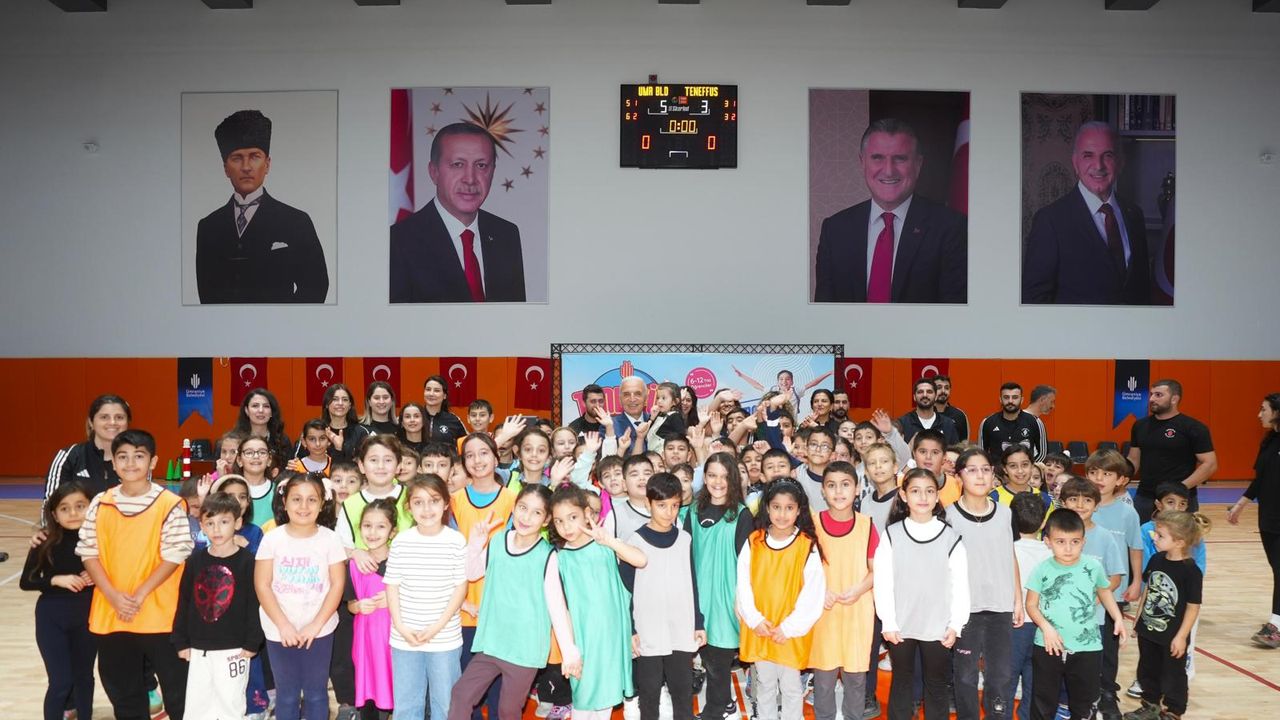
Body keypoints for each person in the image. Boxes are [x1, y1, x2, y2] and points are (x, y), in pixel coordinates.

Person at [77, 429, 193, 720]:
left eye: (139, 456)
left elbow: (175, 554)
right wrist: (113, 596)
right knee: (125, 696)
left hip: (161, 616)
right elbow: (88, 551)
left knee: (179, 696)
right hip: (113, 615)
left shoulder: (170, 503)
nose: (130, 463)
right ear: (113, 463)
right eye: (123, 457)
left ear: (153, 462)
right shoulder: (100, 502)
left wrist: (139, 595)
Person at [451, 484, 580, 720]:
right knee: (461, 694)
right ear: (514, 507)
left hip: (524, 650)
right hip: (492, 643)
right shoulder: (498, 540)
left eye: (536, 512)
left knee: (508, 710)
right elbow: (472, 573)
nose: (526, 517)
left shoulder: (548, 556)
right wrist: (475, 544)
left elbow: (557, 608)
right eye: (523, 508)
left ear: (546, 520)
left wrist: (570, 653)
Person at [814, 118, 967, 304]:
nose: (888, 171)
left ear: (918, 164)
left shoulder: (952, 228)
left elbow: (955, 313)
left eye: (900, 158)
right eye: (877, 158)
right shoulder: (835, 230)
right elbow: (823, 311)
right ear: (862, 162)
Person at [196, 109, 329, 304]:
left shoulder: (296, 221)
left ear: (267, 164)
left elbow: (316, 286)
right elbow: (206, 295)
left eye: (254, 156)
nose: (246, 167)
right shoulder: (208, 226)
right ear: (226, 168)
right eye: (237, 158)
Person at [390, 122, 525, 303]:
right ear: (434, 172)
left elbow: (516, 315)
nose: (470, 179)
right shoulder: (398, 242)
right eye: (458, 164)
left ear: (492, 172)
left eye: (481, 165)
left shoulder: (506, 235)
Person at [874, 468, 969, 720]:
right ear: (904, 495)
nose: (923, 497)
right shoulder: (892, 534)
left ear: (937, 496)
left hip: (938, 625)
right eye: (915, 491)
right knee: (902, 681)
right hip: (900, 624)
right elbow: (882, 581)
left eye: (929, 491)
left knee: (936, 684)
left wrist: (956, 624)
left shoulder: (951, 537)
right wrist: (888, 621)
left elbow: (960, 585)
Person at [1022, 121, 1151, 305]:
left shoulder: (1134, 215)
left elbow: (1143, 292)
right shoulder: (1050, 221)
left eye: (1107, 155)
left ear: (1120, 162)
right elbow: (1034, 301)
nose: (1098, 165)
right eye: (1088, 155)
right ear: (1075, 163)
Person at [550, 485, 649, 720]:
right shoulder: (559, 558)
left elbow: (641, 560)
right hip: (583, 641)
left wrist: (610, 541)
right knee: (583, 700)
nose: (566, 527)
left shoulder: (605, 546)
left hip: (612, 639)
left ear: (587, 514)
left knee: (605, 702)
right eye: (559, 521)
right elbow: (562, 609)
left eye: (572, 518)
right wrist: (570, 649)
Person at [255, 472, 346, 720]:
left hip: (319, 630)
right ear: (284, 502)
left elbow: (337, 585)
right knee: (287, 695)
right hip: (279, 630)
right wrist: (283, 625)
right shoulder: (272, 539)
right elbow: (262, 585)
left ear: (322, 503)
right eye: (296, 499)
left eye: (311, 499)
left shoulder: (330, 539)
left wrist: (316, 625)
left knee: (316, 694)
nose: (304, 506)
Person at [1024, 509, 1129, 720]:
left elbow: (1104, 591)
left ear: (1083, 541)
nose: (1068, 548)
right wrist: (1046, 628)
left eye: (1075, 542)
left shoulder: (1093, 566)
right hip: (1048, 645)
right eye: (1060, 542)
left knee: (1084, 704)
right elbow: (1031, 605)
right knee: (1043, 702)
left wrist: (1117, 618)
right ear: (1048, 542)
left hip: (1087, 648)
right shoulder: (1042, 569)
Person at [737, 480, 826, 720]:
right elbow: (743, 584)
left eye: (789, 508)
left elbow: (813, 594)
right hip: (762, 629)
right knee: (765, 684)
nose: (782, 514)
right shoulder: (754, 541)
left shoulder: (806, 545)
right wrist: (754, 619)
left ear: (798, 510)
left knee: (791, 688)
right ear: (767, 508)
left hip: (789, 633)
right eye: (776, 507)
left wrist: (789, 627)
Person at [173, 491, 264, 720]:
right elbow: (184, 601)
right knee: (197, 706)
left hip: (234, 648)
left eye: (224, 522)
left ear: (238, 523)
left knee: (230, 705)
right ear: (201, 526)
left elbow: (255, 605)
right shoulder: (195, 561)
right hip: (199, 648)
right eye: (210, 523)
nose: (217, 529)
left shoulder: (248, 563)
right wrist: (181, 640)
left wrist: (252, 641)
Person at [385, 475, 469, 720]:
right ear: (408, 507)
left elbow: (460, 588)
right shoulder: (401, 541)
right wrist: (401, 626)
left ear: (446, 503)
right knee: (406, 705)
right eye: (418, 502)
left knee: (446, 703)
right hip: (404, 637)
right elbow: (392, 586)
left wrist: (436, 627)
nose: (427, 508)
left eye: (434, 500)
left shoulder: (455, 541)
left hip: (444, 637)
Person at [621, 473, 703, 720]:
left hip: (681, 627)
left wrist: (698, 622)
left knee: (682, 693)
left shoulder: (685, 539)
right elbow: (626, 590)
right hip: (648, 631)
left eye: (675, 505)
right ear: (648, 504)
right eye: (662, 505)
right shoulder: (634, 541)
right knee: (649, 695)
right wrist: (631, 629)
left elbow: (692, 582)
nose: (669, 512)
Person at [947, 449, 1021, 720]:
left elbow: (1010, 555)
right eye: (972, 470)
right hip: (965, 610)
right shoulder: (948, 516)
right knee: (965, 675)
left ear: (994, 475)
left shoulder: (1005, 514)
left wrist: (1018, 599)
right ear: (959, 477)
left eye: (986, 469)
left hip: (1000, 607)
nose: (980, 476)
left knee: (1000, 675)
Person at [683, 453, 752, 720]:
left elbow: (747, 564)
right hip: (697, 594)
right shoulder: (692, 511)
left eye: (724, 476)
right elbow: (685, 555)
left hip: (726, 597)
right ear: (704, 477)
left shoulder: (742, 515)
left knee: (718, 660)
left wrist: (741, 600)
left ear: (733, 479)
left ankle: (715, 710)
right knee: (705, 655)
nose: (718, 482)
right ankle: (724, 701)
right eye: (712, 475)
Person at [22, 481, 96, 720]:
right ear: (54, 514)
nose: (73, 513)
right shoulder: (45, 541)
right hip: (51, 618)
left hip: (87, 618)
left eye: (80, 506)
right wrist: (56, 580)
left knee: (84, 678)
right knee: (61, 681)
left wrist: (98, 576)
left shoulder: (100, 540)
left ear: (92, 507)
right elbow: (27, 581)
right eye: (64, 508)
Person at [809, 462, 877, 720]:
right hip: (823, 613)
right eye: (831, 485)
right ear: (823, 491)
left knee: (856, 680)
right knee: (823, 680)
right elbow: (802, 570)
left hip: (857, 614)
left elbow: (877, 570)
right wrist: (819, 591)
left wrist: (860, 588)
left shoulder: (867, 525)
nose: (838, 491)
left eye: (845, 485)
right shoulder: (812, 525)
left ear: (857, 489)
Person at [1125, 511, 1204, 720]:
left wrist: (1181, 637)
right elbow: (1149, 590)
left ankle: (1173, 711)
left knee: (1173, 675)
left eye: (1160, 535)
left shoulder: (1191, 571)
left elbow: (1193, 607)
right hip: (1148, 629)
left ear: (1179, 542)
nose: (1154, 538)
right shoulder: (1157, 559)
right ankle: (1151, 705)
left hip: (1172, 635)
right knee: (1147, 669)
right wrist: (1138, 619)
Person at [1227, 392, 1280, 648]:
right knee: (1276, 568)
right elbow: (1260, 479)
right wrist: (1241, 504)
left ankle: (1276, 625)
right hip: (1268, 517)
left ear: (1277, 412)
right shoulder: (1269, 441)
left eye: (1264, 409)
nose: (1259, 414)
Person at [1129, 379, 1217, 519]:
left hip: (1179, 499)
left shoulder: (1194, 427)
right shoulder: (1140, 426)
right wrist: (1116, 478)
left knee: (1180, 533)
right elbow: (1133, 459)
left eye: (1158, 395)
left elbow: (1210, 464)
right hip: (1145, 496)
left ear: (1174, 399)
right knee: (1142, 533)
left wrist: (1179, 488)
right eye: (1151, 394)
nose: (1152, 399)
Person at [345, 499, 398, 719]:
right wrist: (358, 606)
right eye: (367, 526)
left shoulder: (401, 562)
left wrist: (394, 599)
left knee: (398, 691)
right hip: (366, 642)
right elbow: (350, 604)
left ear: (392, 531)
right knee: (369, 694)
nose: (373, 532)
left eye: (381, 526)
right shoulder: (354, 565)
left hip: (396, 641)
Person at [43, 394, 131, 512]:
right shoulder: (68, 456)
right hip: (78, 525)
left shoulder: (138, 460)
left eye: (119, 417)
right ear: (91, 422)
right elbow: (50, 508)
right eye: (104, 417)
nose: (112, 422)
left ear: (127, 422)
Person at [1010, 492, 1052, 720]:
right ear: (1044, 522)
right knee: (1035, 677)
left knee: (1006, 677)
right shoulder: (1051, 553)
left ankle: (1001, 715)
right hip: (1043, 625)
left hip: (1014, 624)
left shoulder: (1008, 550)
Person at [979, 382, 1045, 462]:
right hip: (997, 469)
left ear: (1022, 400)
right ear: (1000, 399)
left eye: (1015, 397)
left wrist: (1029, 466)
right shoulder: (988, 422)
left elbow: (1043, 454)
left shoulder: (1035, 421)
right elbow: (981, 455)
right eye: (1006, 397)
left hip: (1025, 469)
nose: (1010, 401)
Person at [234, 388, 292, 471]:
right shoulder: (234, 440)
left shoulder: (282, 441)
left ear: (271, 412)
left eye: (266, 406)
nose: (261, 410)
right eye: (255, 406)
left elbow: (287, 472)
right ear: (246, 410)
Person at [899, 378, 960, 445]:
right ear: (914, 397)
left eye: (929, 392)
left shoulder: (948, 424)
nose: (925, 395)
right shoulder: (903, 423)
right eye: (920, 392)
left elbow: (955, 450)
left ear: (936, 396)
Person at [319, 384, 371, 463]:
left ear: (350, 405)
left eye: (345, 400)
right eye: (335, 399)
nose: (340, 403)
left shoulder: (361, 433)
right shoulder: (316, 430)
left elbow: (366, 462)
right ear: (326, 404)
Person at [423, 375, 467, 441]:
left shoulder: (453, 420)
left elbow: (466, 443)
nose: (431, 394)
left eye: (437, 390)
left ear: (444, 396)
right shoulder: (415, 416)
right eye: (428, 389)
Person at [933, 375, 970, 441]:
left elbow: (964, 443)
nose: (943, 391)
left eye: (946, 388)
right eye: (939, 387)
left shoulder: (959, 415)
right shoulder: (925, 413)